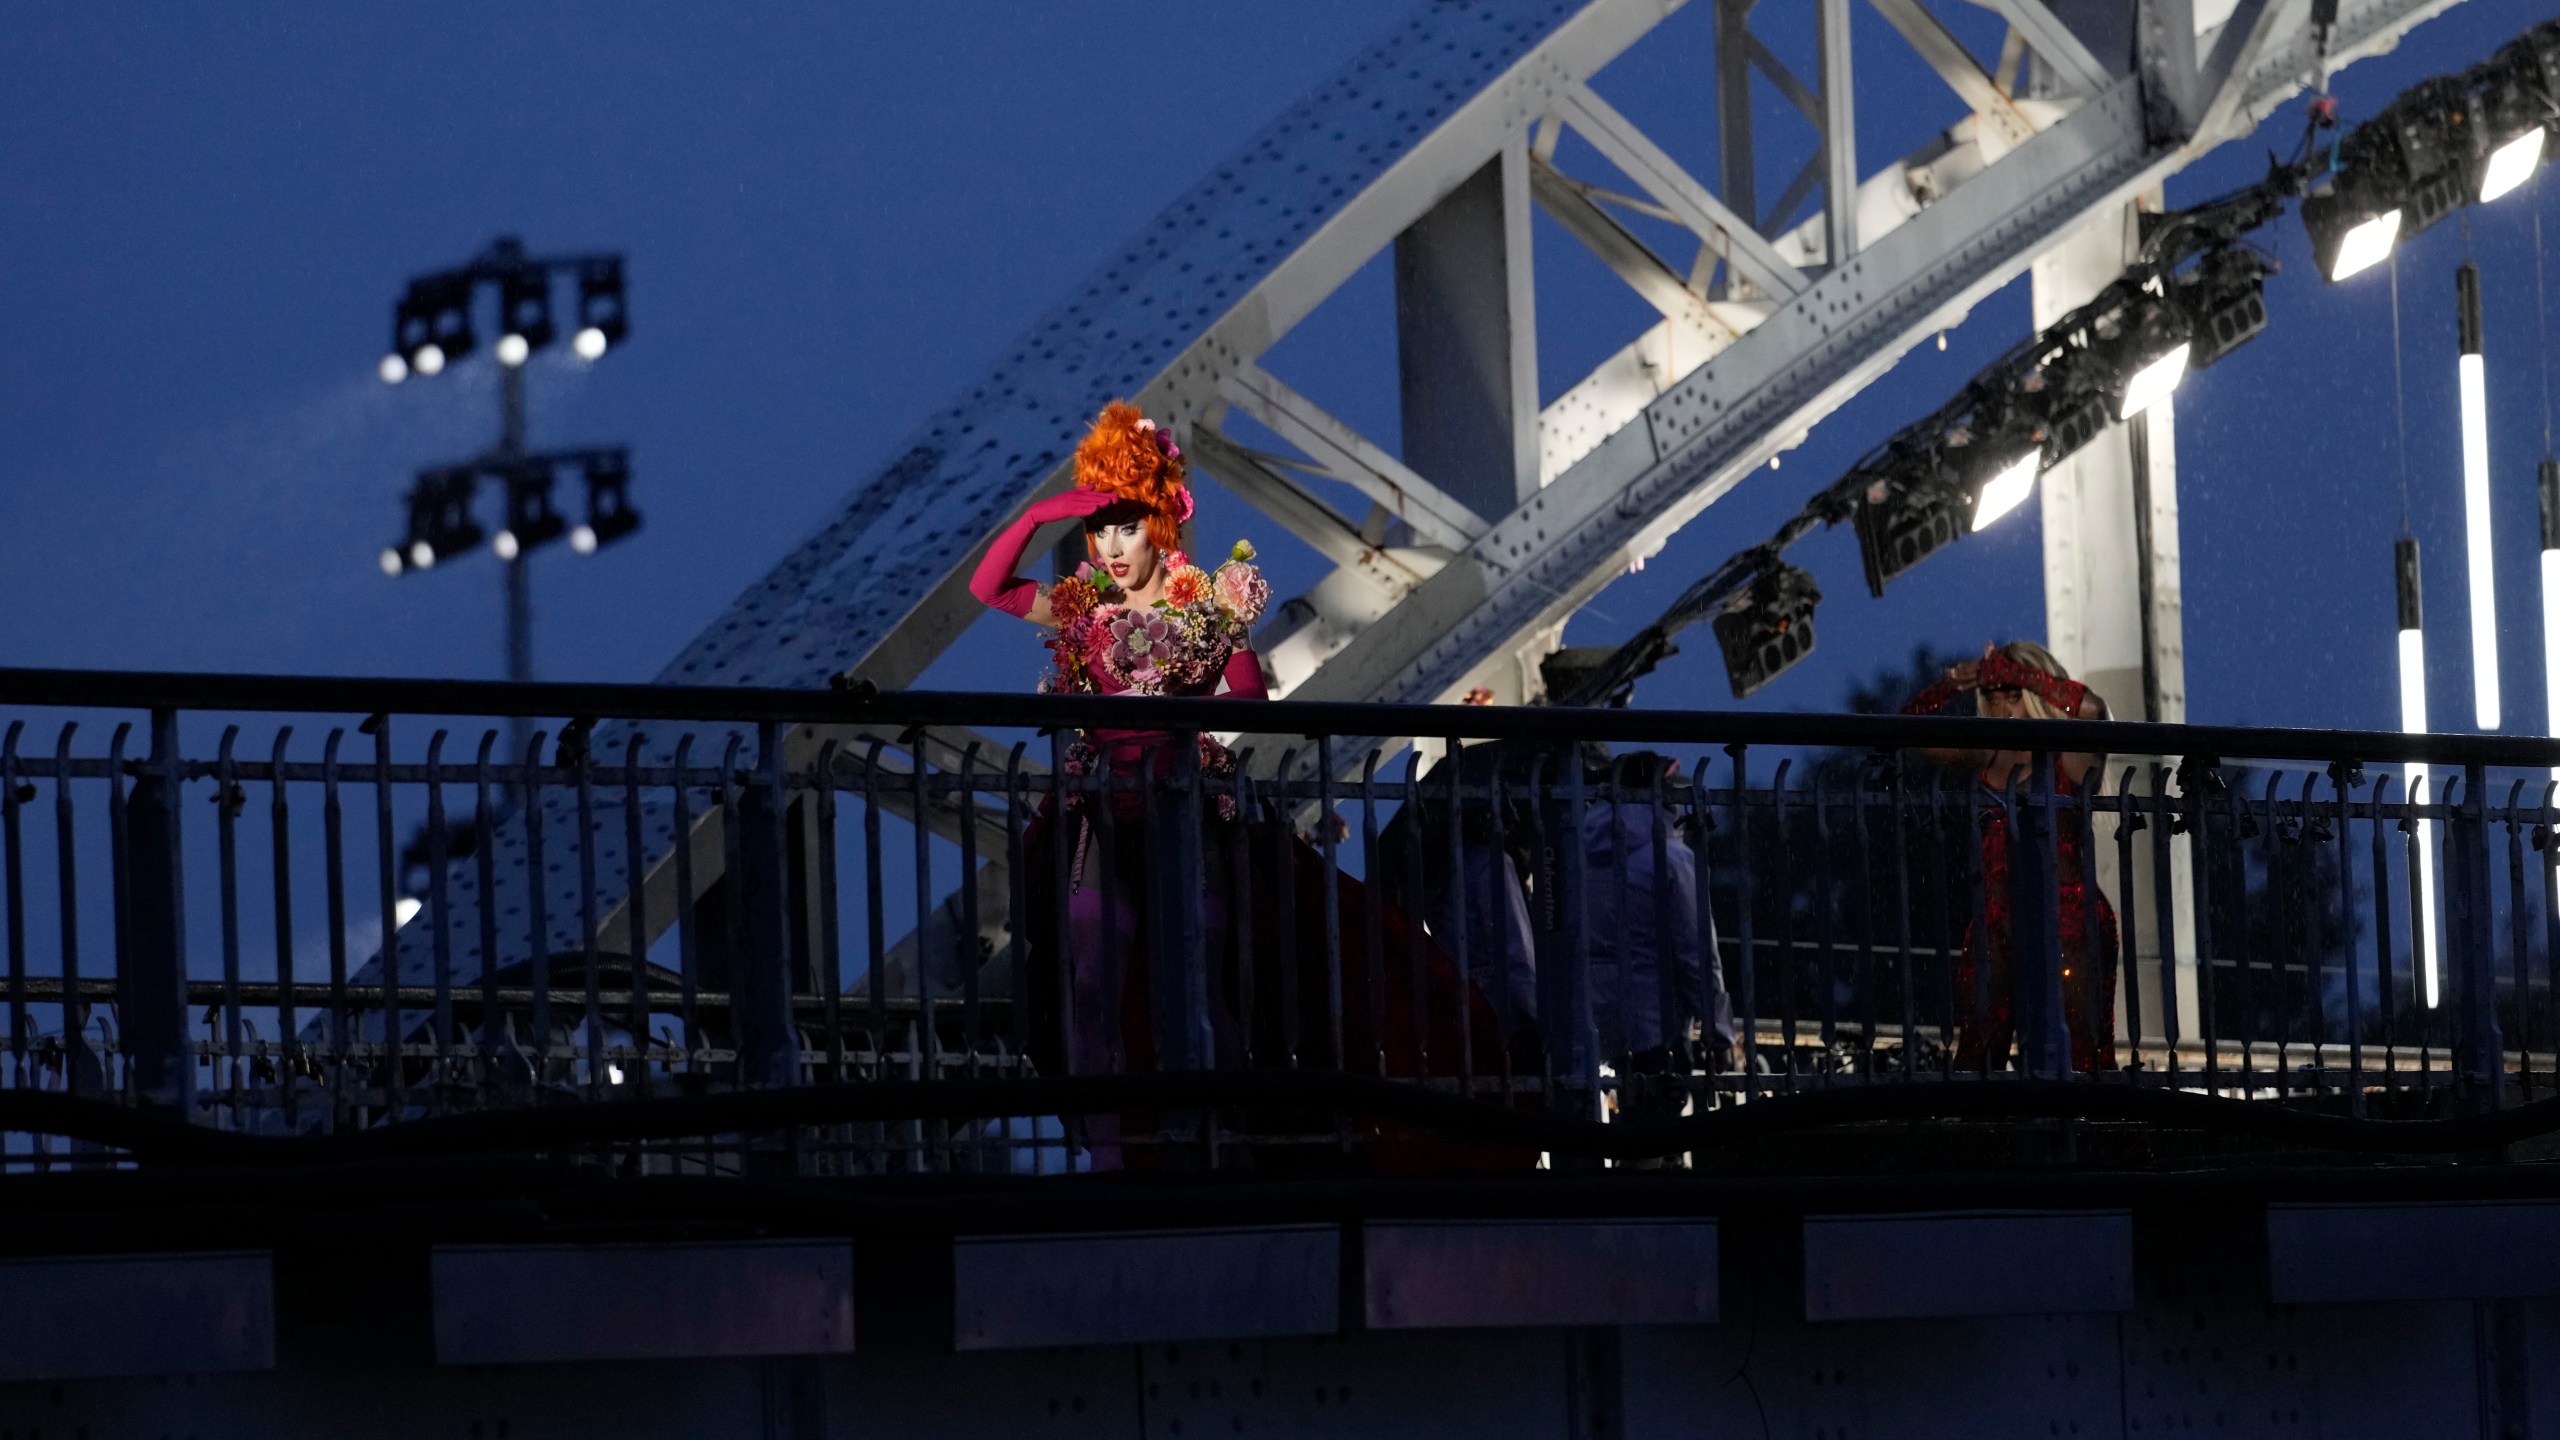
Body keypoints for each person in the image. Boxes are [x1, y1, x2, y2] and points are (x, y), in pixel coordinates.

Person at [969, 400, 1509, 1170]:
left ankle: (1216, 1133)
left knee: (1207, 959)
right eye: (1102, 529)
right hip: (1103, 811)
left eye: (1128, 526)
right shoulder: (1085, 610)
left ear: (1163, 526)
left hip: (1185, 810)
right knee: (1093, 963)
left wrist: (1169, 700)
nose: (1112, 546)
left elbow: (1248, 703)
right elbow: (989, 586)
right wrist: (1052, 510)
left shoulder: (1208, 609)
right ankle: (1118, 1147)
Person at [1899, 641, 2118, 1072]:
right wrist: (1952, 684)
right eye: (1994, 697)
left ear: (2036, 698)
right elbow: (1908, 729)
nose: (2003, 708)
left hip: (2069, 923)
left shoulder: (2068, 754)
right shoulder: (1988, 751)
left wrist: (2019, 673)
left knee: (2079, 1056)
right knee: (1978, 1053)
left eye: (2013, 697)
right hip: (1995, 922)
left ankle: (2087, 1137)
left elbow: (2092, 708)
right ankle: (1988, 1138)